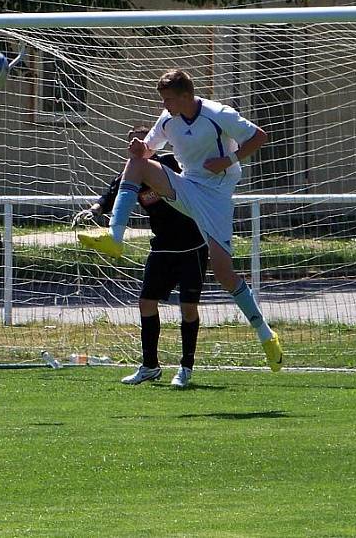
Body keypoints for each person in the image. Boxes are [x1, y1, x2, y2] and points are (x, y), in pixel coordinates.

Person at [78, 69, 283, 372]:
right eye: (163, 99)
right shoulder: (167, 118)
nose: (165, 104)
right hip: (186, 188)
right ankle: (115, 235)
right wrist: (140, 149)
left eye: (169, 99)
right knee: (137, 163)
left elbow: (258, 137)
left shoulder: (217, 114)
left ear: (187, 95)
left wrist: (227, 161)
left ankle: (266, 336)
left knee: (225, 273)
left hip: (215, 196)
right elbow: (149, 149)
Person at [73, 126, 207, 388]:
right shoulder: (132, 172)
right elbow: (112, 193)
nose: (135, 146)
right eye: (130, 143)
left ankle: (185, 368)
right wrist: (95, 209)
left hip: (193, 246)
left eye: (141, 142)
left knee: (188, 308)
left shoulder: (170, 165)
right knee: (146, 302)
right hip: (162, 248)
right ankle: (149, 366)